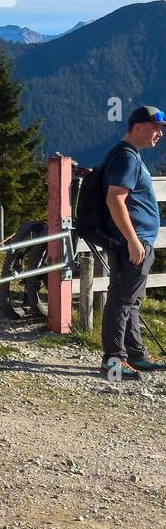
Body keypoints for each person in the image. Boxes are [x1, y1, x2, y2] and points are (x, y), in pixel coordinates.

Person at [98, 106, 166, 378]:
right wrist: (134, 240)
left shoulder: (128, 156)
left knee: (131, 300)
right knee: (121, 301)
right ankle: (113, 362)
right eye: (155, 128)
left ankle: (135, 355)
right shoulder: (126, 158)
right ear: (138, 126)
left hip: (136, 242)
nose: (159, 134)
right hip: (132, 243)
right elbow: (115, 199)